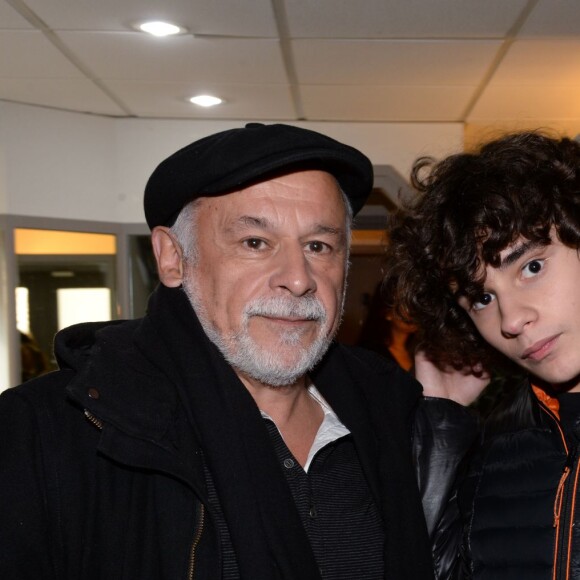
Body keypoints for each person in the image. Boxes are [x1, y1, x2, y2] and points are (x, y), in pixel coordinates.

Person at [0, 123, 449, 580]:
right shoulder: (45, 435)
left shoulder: (396, 419)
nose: (298, 278)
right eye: (255, 243)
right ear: (172, 258)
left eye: (319, 246)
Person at [382, 131, 580, 579]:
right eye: (482, 299)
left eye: (531, 267)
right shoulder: (494, 457)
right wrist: (440, 418)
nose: (511, 320)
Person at [357, 283, 418, 372]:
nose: (413, 311)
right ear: (387, 313)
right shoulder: (371, 354)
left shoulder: (421, 353)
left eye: (415, 303)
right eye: (404, 303)